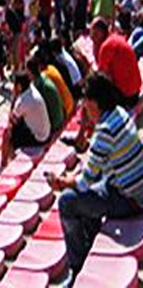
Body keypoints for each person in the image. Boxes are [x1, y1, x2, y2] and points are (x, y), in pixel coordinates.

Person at [49, 72, 143, 276]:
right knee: (89, 195)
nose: (84, 106)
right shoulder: (119, 113)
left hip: (130, 199)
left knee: (67, 201)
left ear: (94, 103)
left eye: (86, 101)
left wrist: (62, 182)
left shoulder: (105, 131)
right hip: (133, 188)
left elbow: (85, 181)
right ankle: (90, 245)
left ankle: (77, 265)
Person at [2, 71, 50, 165]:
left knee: (8, 134)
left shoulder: (23, 101)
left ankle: (5, 162)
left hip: (39, 138)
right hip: (45, 131)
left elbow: (11, 119)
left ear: (19, 86)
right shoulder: (32, 89)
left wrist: (14, 98)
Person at [91, 18, 142, 107]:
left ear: (102, 32)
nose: (92, 37)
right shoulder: (115, 37)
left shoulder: (106, 47)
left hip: (127, 95)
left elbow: (101, 77)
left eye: (94, 34)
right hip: (135, 89)